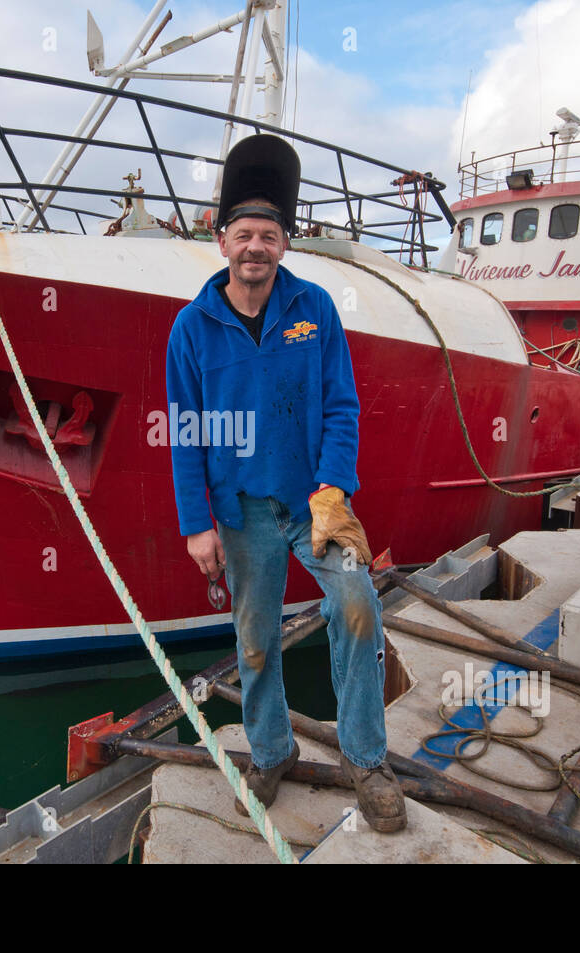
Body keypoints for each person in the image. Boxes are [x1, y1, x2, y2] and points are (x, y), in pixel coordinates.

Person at [164, 134, 406, 833]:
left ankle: (366, 758)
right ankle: (271, 751)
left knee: (359, 607)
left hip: (313, 507)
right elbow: (186, 430)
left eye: (269, 235)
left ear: (283, 245)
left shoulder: (315, 310)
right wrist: (195, 522)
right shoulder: (192, 328)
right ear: (221, 242)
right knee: (256, 637)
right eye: (244, 234)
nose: (256, 247)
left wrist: (333, 490)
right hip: (241, 513)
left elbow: (341, 407)